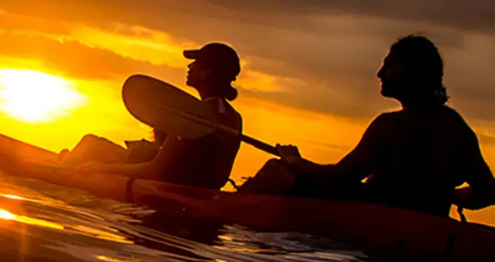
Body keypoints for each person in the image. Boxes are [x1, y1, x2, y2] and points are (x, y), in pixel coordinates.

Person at [247, 35, 495, 216]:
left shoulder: (391, 126)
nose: (379, 73)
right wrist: (445, 195)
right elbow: (486, 193)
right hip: (428, 221)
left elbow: (340, 178)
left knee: (275, 169)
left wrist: (295, 161)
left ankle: (215, 211)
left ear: (411, 73)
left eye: (389, 65)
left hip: (374, 215)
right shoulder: (458, 130)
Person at [75, 42, 243, 190]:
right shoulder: (235, 118)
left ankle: (58, 169)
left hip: (173, 189)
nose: (189, 67)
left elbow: (156, 170)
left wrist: (103, 168)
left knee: (90, 143)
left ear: (206, 72)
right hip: (199, 189)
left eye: (195, 63)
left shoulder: (192, 115)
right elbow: (219, 177)